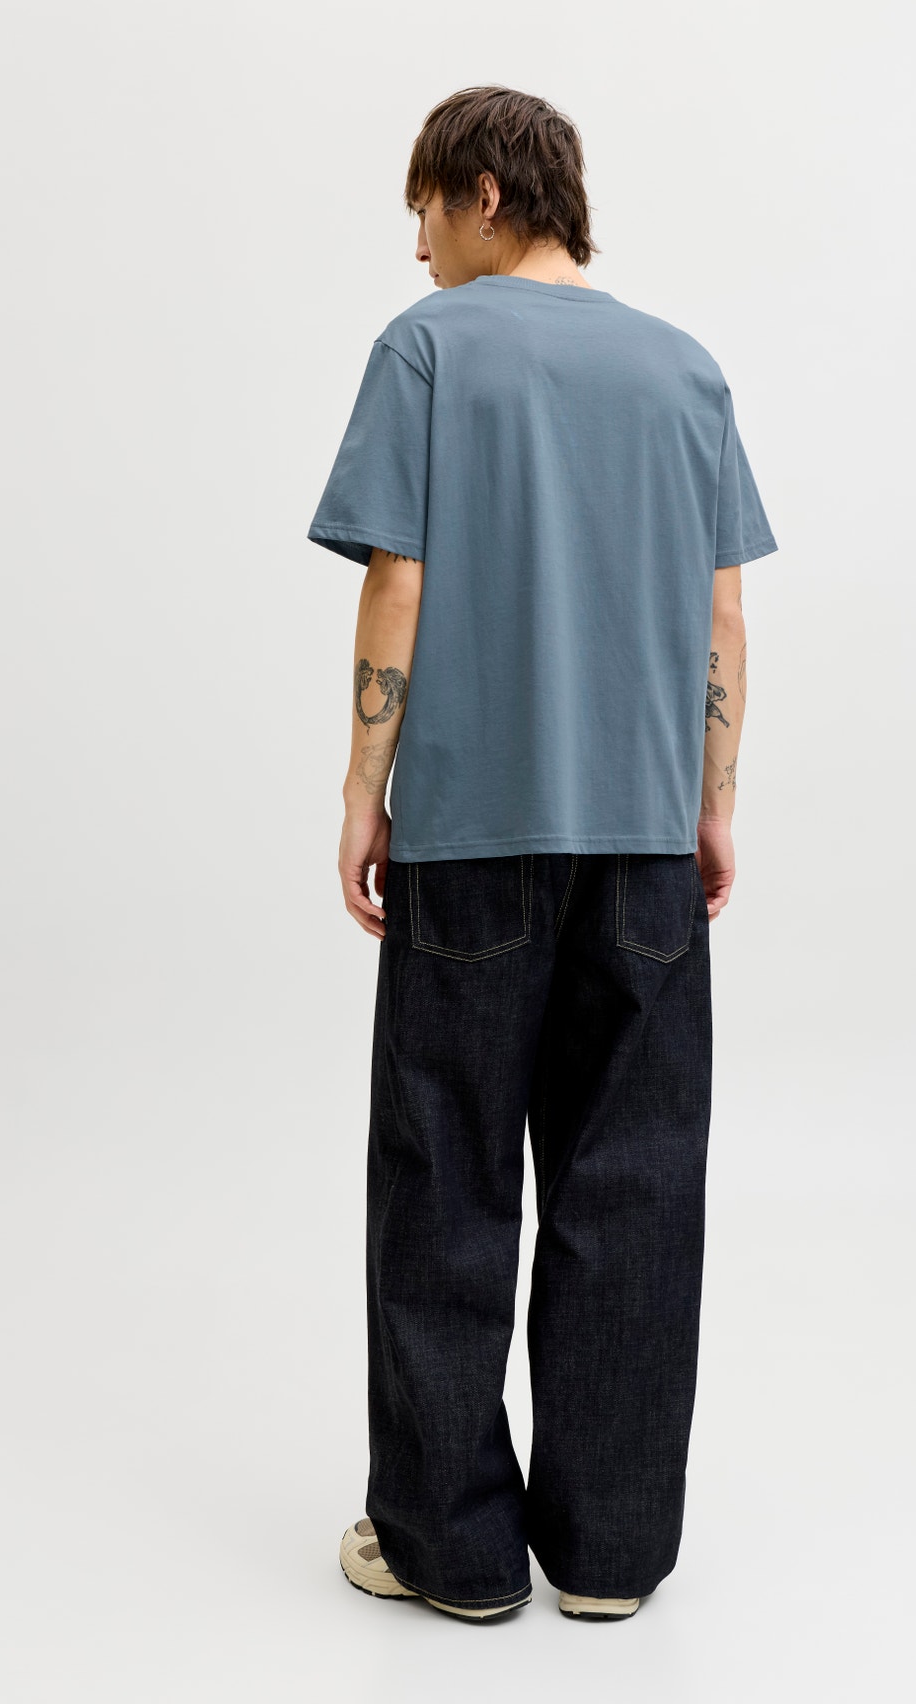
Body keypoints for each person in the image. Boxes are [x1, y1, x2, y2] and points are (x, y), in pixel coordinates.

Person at [307, 85, 778, 1624]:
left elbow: (396, 579)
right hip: (645, 843)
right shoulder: (685, 367)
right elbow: (723, 615)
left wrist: (365, 787)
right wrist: (712, 803)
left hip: (474, 839)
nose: (419, 246)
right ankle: (610, 1557)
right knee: (630, 1188)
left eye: (426, 211)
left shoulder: (429, 349)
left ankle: (451, 1554)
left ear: (489, 195)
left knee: (445, 1179)